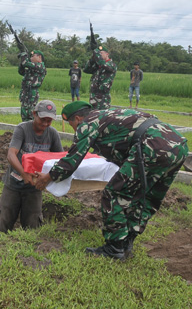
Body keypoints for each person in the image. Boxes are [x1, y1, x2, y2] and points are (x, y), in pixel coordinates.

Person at [34, 101, 188, 260]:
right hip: (178, 146)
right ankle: (126, 242)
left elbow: (73, 158)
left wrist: (49, 176)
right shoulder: (109, 114)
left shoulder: (87, 124)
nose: (73, 127)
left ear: (78, 118)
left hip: (152, 146)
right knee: (147, 196)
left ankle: (114, 249)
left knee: (114, 193)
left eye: (70, 123)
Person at [0, 100, 62, 234]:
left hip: (34, 188)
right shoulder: (22, 129)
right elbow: (11, 154)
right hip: (13, 184)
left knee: (33, 224)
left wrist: (48, 178)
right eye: (42, 119)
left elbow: (59, 159)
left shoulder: (52, 134)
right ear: (34, 114)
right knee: (3, 221)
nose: (45, 124)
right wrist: (24, 173)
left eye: (49, 121)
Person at [18, 50, 47, 122]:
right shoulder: (32, 67)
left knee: (30, 113)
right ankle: (24, 129)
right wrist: (22, 63)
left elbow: (26, 63)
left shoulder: (40, 66)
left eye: (33, 56)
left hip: (32, 93)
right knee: (24, 112)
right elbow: (21, 72)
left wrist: (24, 56)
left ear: (39, 57)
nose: (31, 58)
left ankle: (32, 130)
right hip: (25, 92)